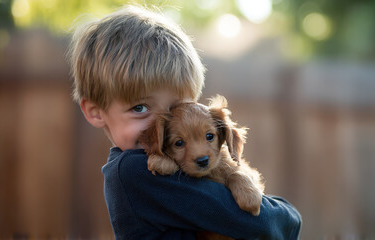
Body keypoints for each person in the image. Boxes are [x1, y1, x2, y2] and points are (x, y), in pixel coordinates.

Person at [68, 5, 301, 239]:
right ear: (96, 112)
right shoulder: (134, 172)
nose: (164, 124)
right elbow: (268, 224)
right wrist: (285, 216)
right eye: (139, 108)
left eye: (177, 107)